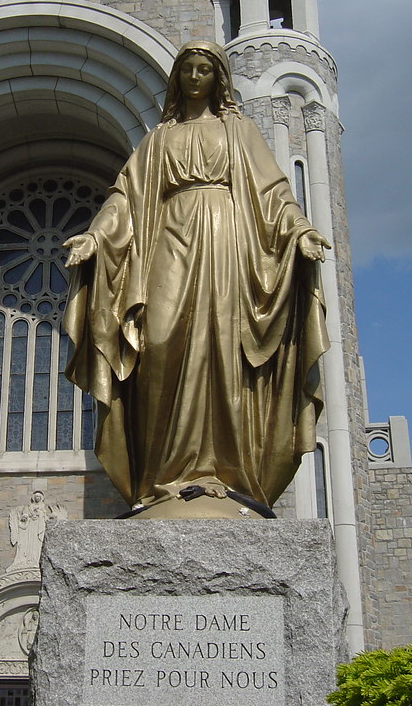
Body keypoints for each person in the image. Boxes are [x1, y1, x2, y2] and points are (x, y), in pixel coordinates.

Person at [63, 41, 329, 517]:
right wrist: (95, 237)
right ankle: (160, 479)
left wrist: (300, 230)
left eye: (204, 69)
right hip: (168, 239)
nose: (195, 77)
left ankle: (224, 475)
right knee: (160, 342)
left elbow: (273, 194)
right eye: (187, 69)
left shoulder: (238, 130)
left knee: (223, 347)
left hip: (227, 242)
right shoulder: (159, 139)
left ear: (218, 77)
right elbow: (124, 198)